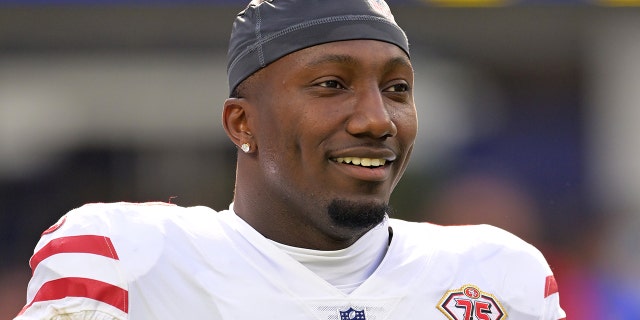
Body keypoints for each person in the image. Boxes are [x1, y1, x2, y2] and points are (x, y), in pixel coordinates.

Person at [15, 0, 566, 319]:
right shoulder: (125, 261)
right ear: (242, 123)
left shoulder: (497, 276)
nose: (377, 120)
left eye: (397, 89)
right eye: (332, 84)